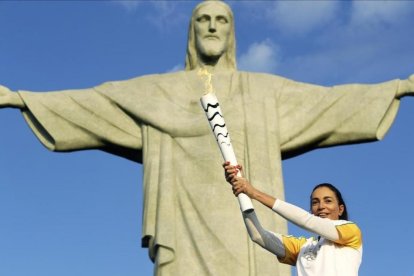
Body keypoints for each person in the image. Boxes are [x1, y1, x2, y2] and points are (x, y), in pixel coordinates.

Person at [0, 1, 412, 275]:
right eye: (203, 19)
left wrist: (394, 88)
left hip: (253, 244)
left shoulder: (263, 91)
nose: (212, 27)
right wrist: (21, 99)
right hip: (183, 230)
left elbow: (329, 103)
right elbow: (99, 103)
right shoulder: (159, 92)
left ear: (232, 33)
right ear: (191, 31)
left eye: (222, 20)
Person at [224, 162, 362, 276]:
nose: (321, 206)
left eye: (328, 201)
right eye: (315, 202)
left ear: (341, 209)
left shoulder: (351, 232)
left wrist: (254, 192)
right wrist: (242, 193)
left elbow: (307, 221)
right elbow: (258, 235)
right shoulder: (303, 247)